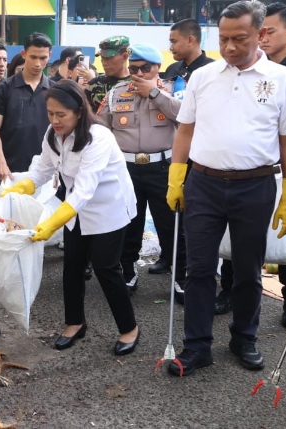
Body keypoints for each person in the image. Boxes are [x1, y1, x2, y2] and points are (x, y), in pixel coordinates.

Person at [166, 0, 286, 377]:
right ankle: (197, 346)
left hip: (255, 186)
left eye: (239, 39)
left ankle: (244, 338)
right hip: (203, 184)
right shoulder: (203, 77)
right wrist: (177, 177)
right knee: (198, 269)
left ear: (261, 33)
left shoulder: (282, 79)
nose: (229, 47)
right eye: (223, 38)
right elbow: (185, 130)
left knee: (247, 270)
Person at [1, 79, 140, 355]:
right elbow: (42, 170)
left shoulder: (98, 137)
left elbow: (84, 191)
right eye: (50, 113)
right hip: (76, 211)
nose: (54, 120)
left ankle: (129, 328)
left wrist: (50, 224)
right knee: (72, 266)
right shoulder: (53, 134)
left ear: (78, 111)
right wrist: (20, 187)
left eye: (61, 115)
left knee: (106, 268)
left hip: (108, 209)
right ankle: (75, 323)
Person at [217, 2, 286, 324]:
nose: (263, 38)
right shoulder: (240, 69)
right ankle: (228, 291)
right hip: (243, 167)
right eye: (259, 32)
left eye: (270, 32)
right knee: (233, 231)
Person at [98, 43, 186, 299]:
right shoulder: (116, 93)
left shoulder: (172, 90)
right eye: (134, 68)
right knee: (128, 224)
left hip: (162, 167)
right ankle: (128, 272)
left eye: (145, 68)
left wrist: (154, 94)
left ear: (157, 67)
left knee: (171, 224)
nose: (138, 74)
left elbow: (186, 117)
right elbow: (100, 127)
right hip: (125, 168)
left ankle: (181, 276)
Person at [0, 32, 53, 181]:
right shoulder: (4, 88)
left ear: (49, 56)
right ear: (24, 54)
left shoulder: (54, 90)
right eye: (33, 57)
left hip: (45, 172)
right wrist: (1, 162)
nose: (38, 64)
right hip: (9, 171)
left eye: (43, 58)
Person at [85, 36, 131, 113]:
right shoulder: (93, 85)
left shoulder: (136, 84)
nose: (104, 63)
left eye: (109, 58)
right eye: (102, 58)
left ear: (125, 56)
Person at [163, 18, 215, 83]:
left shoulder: (213, 71)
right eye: (171, 42)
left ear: (190, 40)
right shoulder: (172, 69)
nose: (171, 48)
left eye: (174, 42)